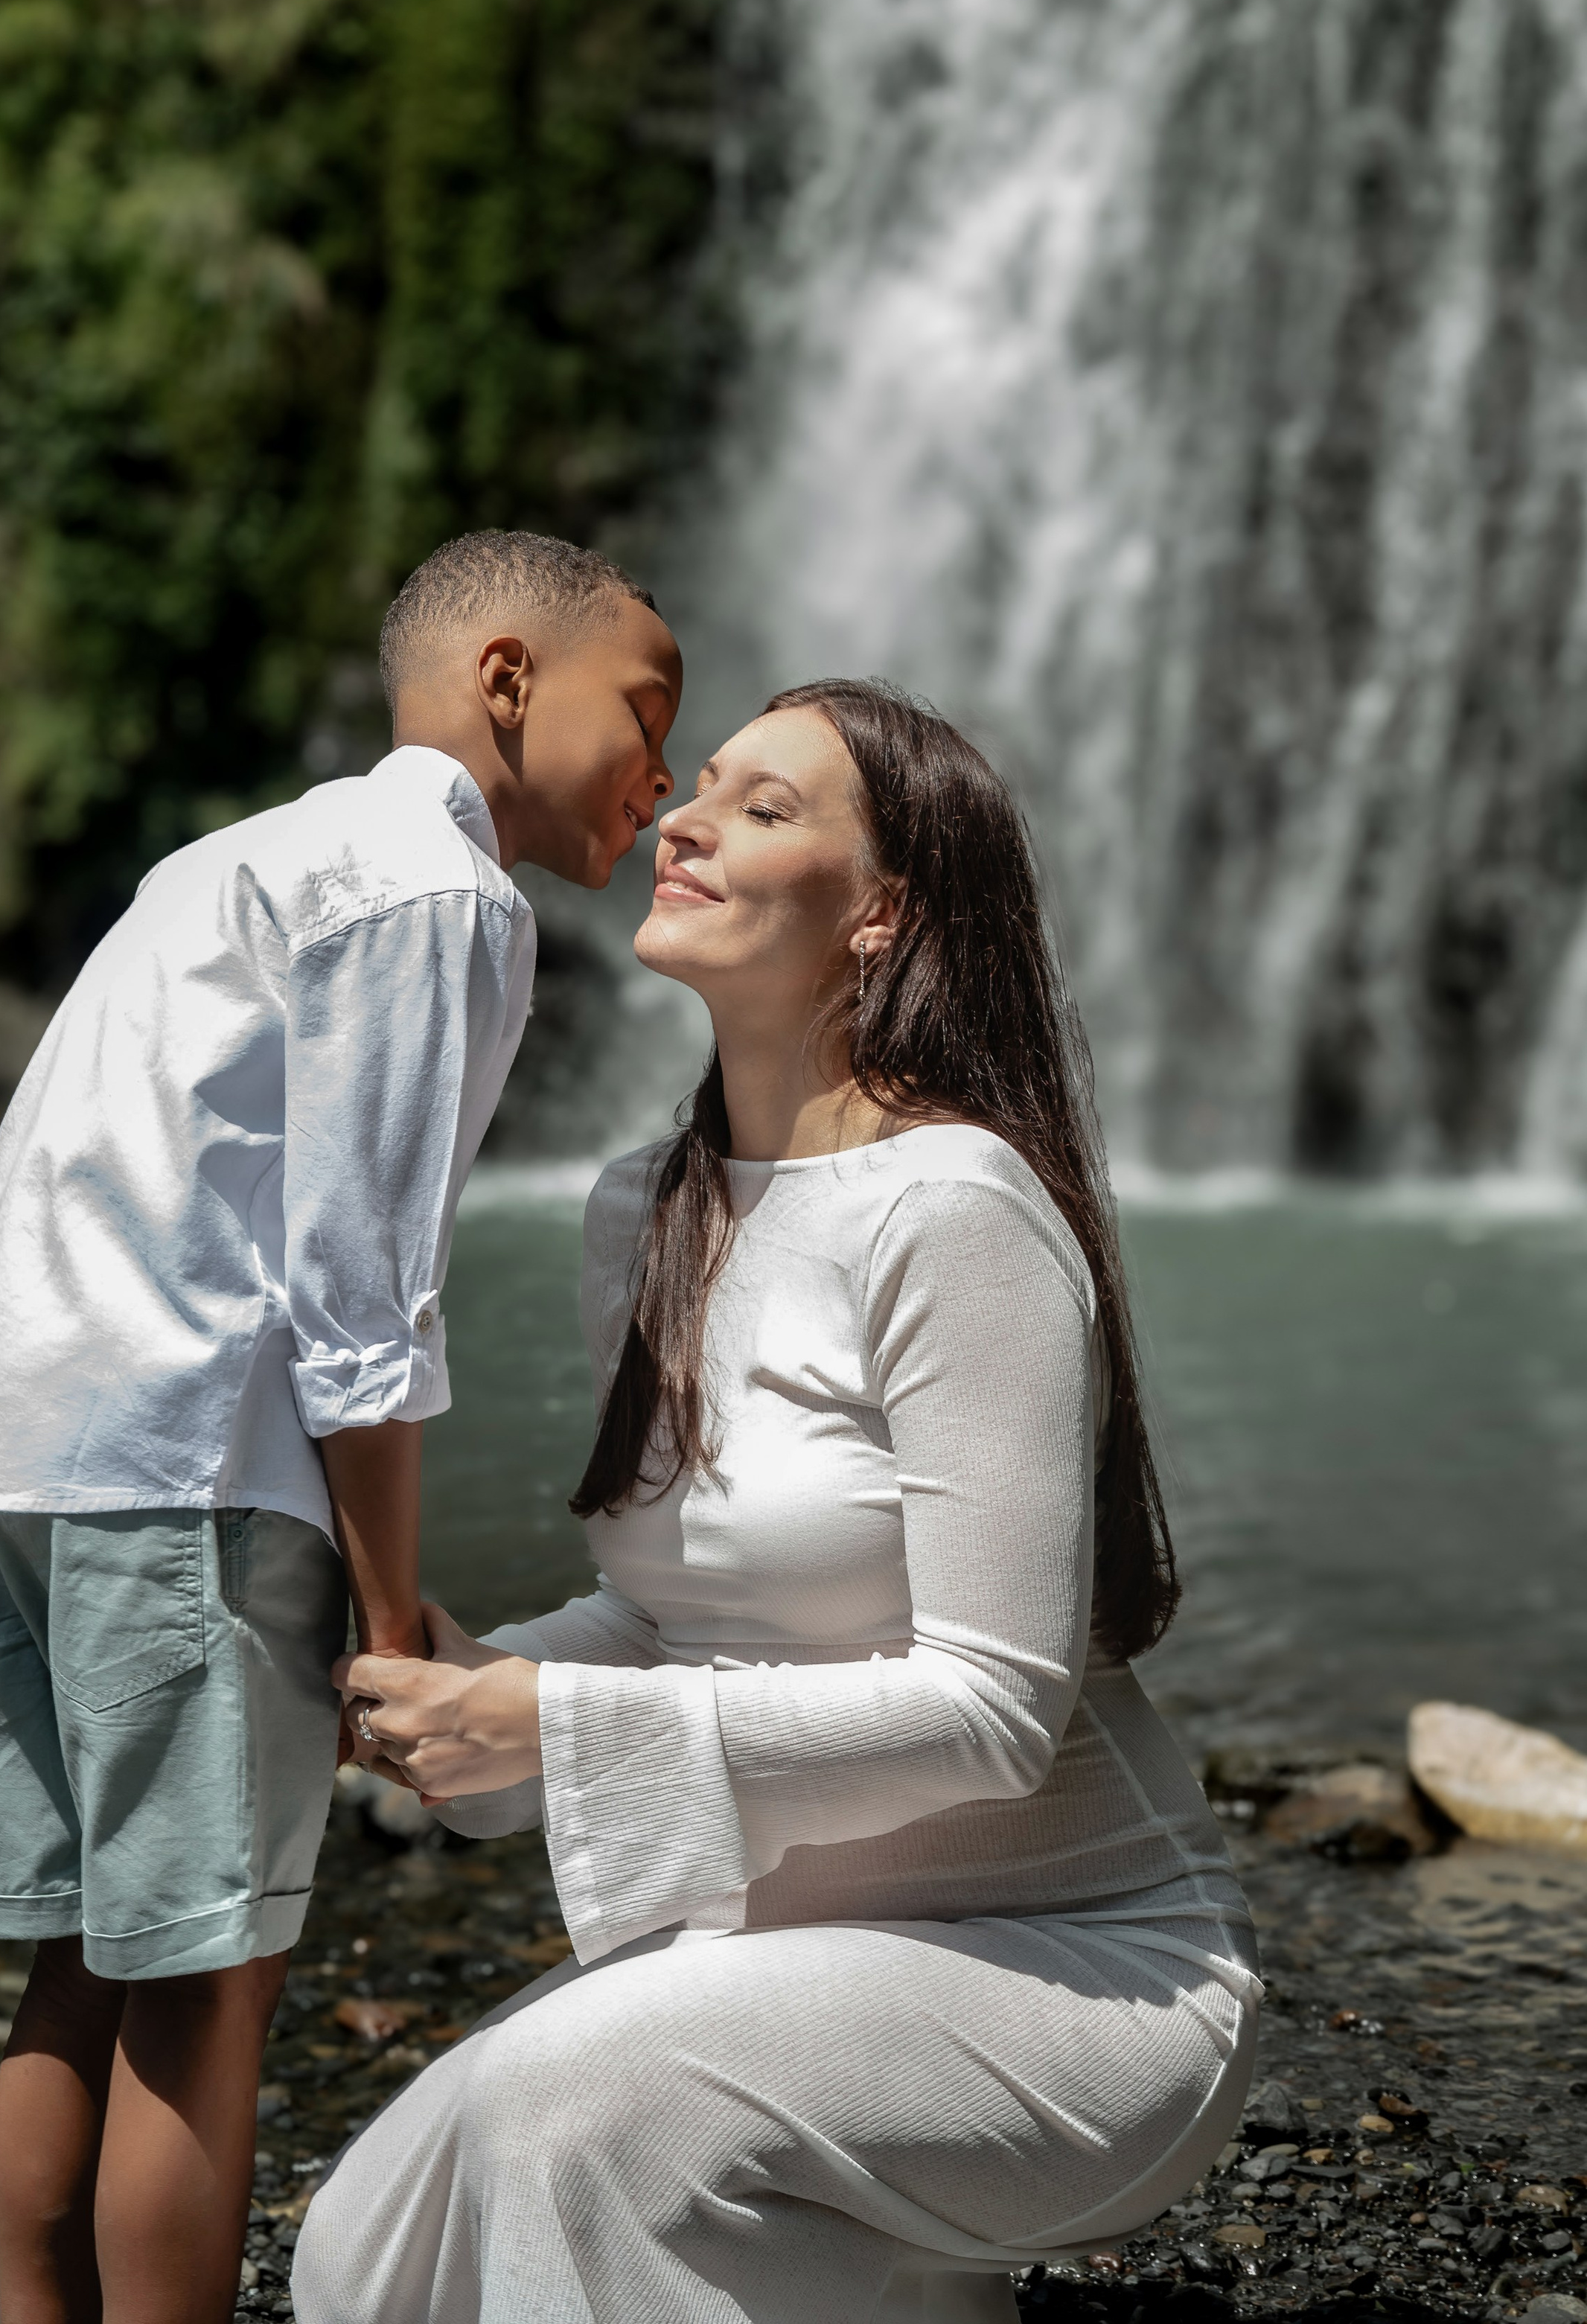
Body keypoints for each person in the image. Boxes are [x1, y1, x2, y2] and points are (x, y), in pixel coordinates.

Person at [304, 679, 1259, 2324]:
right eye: (701, 790)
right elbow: (676, 1618)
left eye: (763, 807)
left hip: (1075, 1969)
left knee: (573, 2116)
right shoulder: (643, 1210)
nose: (681, 818)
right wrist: (464, 1696)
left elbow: (992, 1710)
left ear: (881, 912)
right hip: (795, 1956)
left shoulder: (957, 1210)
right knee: (369, 2250)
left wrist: (557, 1728)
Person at [0, 530, 681, 2324]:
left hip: (4, 1447)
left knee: (81, 1959)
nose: (668, 771)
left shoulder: (235, 854)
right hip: (180, 1475)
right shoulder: (439, 895)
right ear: (503, 681)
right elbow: (359, 1297)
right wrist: (391, 1621)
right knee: (210, 1983)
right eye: (643, 712)